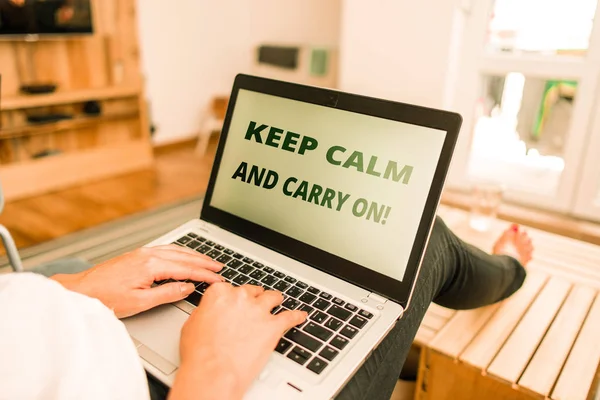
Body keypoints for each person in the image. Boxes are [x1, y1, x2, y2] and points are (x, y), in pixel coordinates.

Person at [0, 217, 532, 400]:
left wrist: (73, 287)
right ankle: (510, 268)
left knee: (240, 254)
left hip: (91, 329)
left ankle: (404, 350)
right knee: (428, 245)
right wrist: (212, 370)